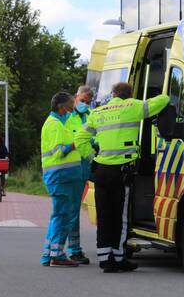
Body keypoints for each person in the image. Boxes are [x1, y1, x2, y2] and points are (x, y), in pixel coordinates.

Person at [77, 82, 169, 273]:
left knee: (104, 215)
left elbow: (79, 138)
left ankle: (104, 258)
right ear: (129, 94)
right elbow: (163, 100)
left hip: (101, 171)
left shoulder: (98, 112)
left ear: (113, 94)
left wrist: (92, 158)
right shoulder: (132, 106)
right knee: (121, 217)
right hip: (121, 172)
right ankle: (118, 258)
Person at [40, 92, 85, 267]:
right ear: (61, 107)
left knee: (58, 215)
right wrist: (77, 143)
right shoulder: (55, 125)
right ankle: (57, 255)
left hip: (61, 176)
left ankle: (48, 253)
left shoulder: (57, 123)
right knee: (62, 216)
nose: (72, 110)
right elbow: (59, 151)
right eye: (70, 106)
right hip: (60, 177)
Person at [64, 85, 95, 264]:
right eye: (82, 101)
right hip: (72, 167)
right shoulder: (67, 117)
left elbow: (96, 136)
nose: (85, 104)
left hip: (86, 166)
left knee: (75, 209)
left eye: (88, 102)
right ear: (76, 97)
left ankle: (71, 249)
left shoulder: (91, 115)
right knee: (72, 211)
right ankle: (74, 250)